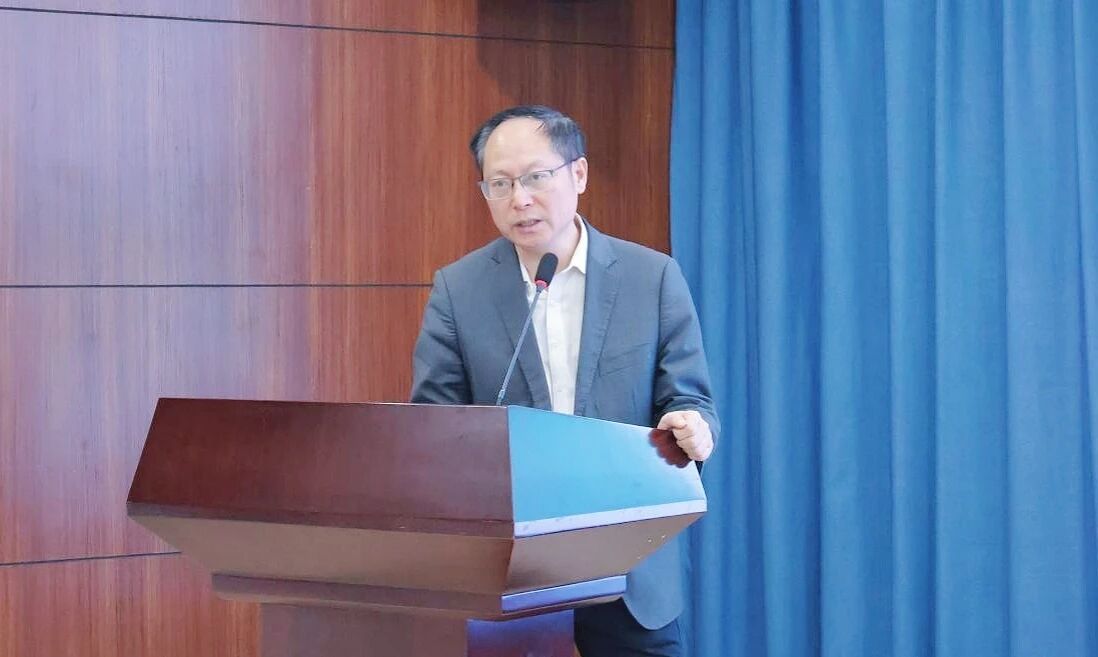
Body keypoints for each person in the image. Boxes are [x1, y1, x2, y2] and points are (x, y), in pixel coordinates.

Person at [410, 105, 719, 657]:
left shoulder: (651, 277)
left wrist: (692, 426)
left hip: (629, 569)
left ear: (578, 174)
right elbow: (433, 426)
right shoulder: (459, 290)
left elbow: (689, 398)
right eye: (499, 184)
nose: (519, 199)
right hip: (510, 575)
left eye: (535, 177)